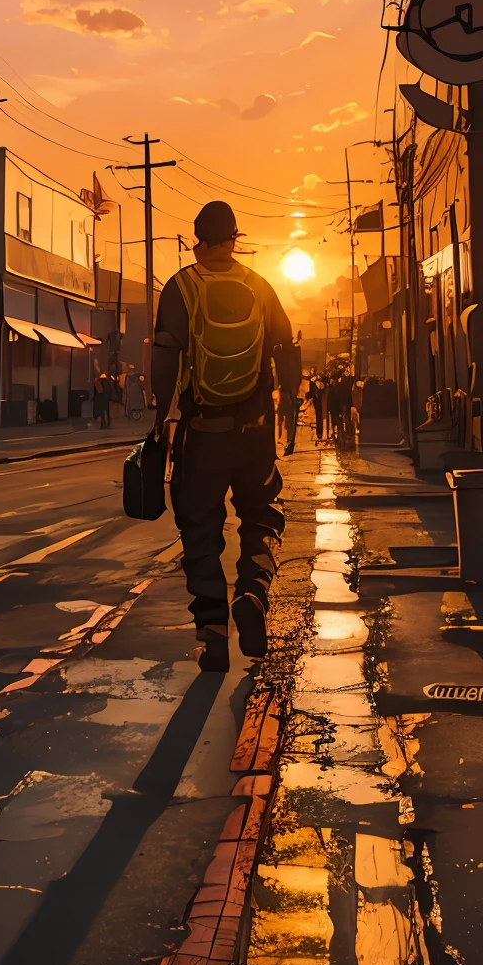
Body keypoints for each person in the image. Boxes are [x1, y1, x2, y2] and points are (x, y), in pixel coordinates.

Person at [150, 200, 301, 673]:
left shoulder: (181, 287)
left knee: (200, 532)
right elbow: (286, 350)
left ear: (198, 238)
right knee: (260, 517)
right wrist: (289, 410)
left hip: (203, 431)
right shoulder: (258, 285)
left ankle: (213, 637)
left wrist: (161, 419)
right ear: (235, 238)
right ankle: (254, 591)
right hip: (254, 434)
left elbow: (164, 359)